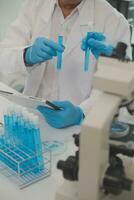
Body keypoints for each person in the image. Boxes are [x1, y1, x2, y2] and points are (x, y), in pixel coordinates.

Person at [0, 0, 132, 129]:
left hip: (79, 127)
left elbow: (117, 87)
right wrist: (27, 55)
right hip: (31, 117)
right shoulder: (33, 6)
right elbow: (4, 57)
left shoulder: (114, 21)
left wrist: (81, 114)